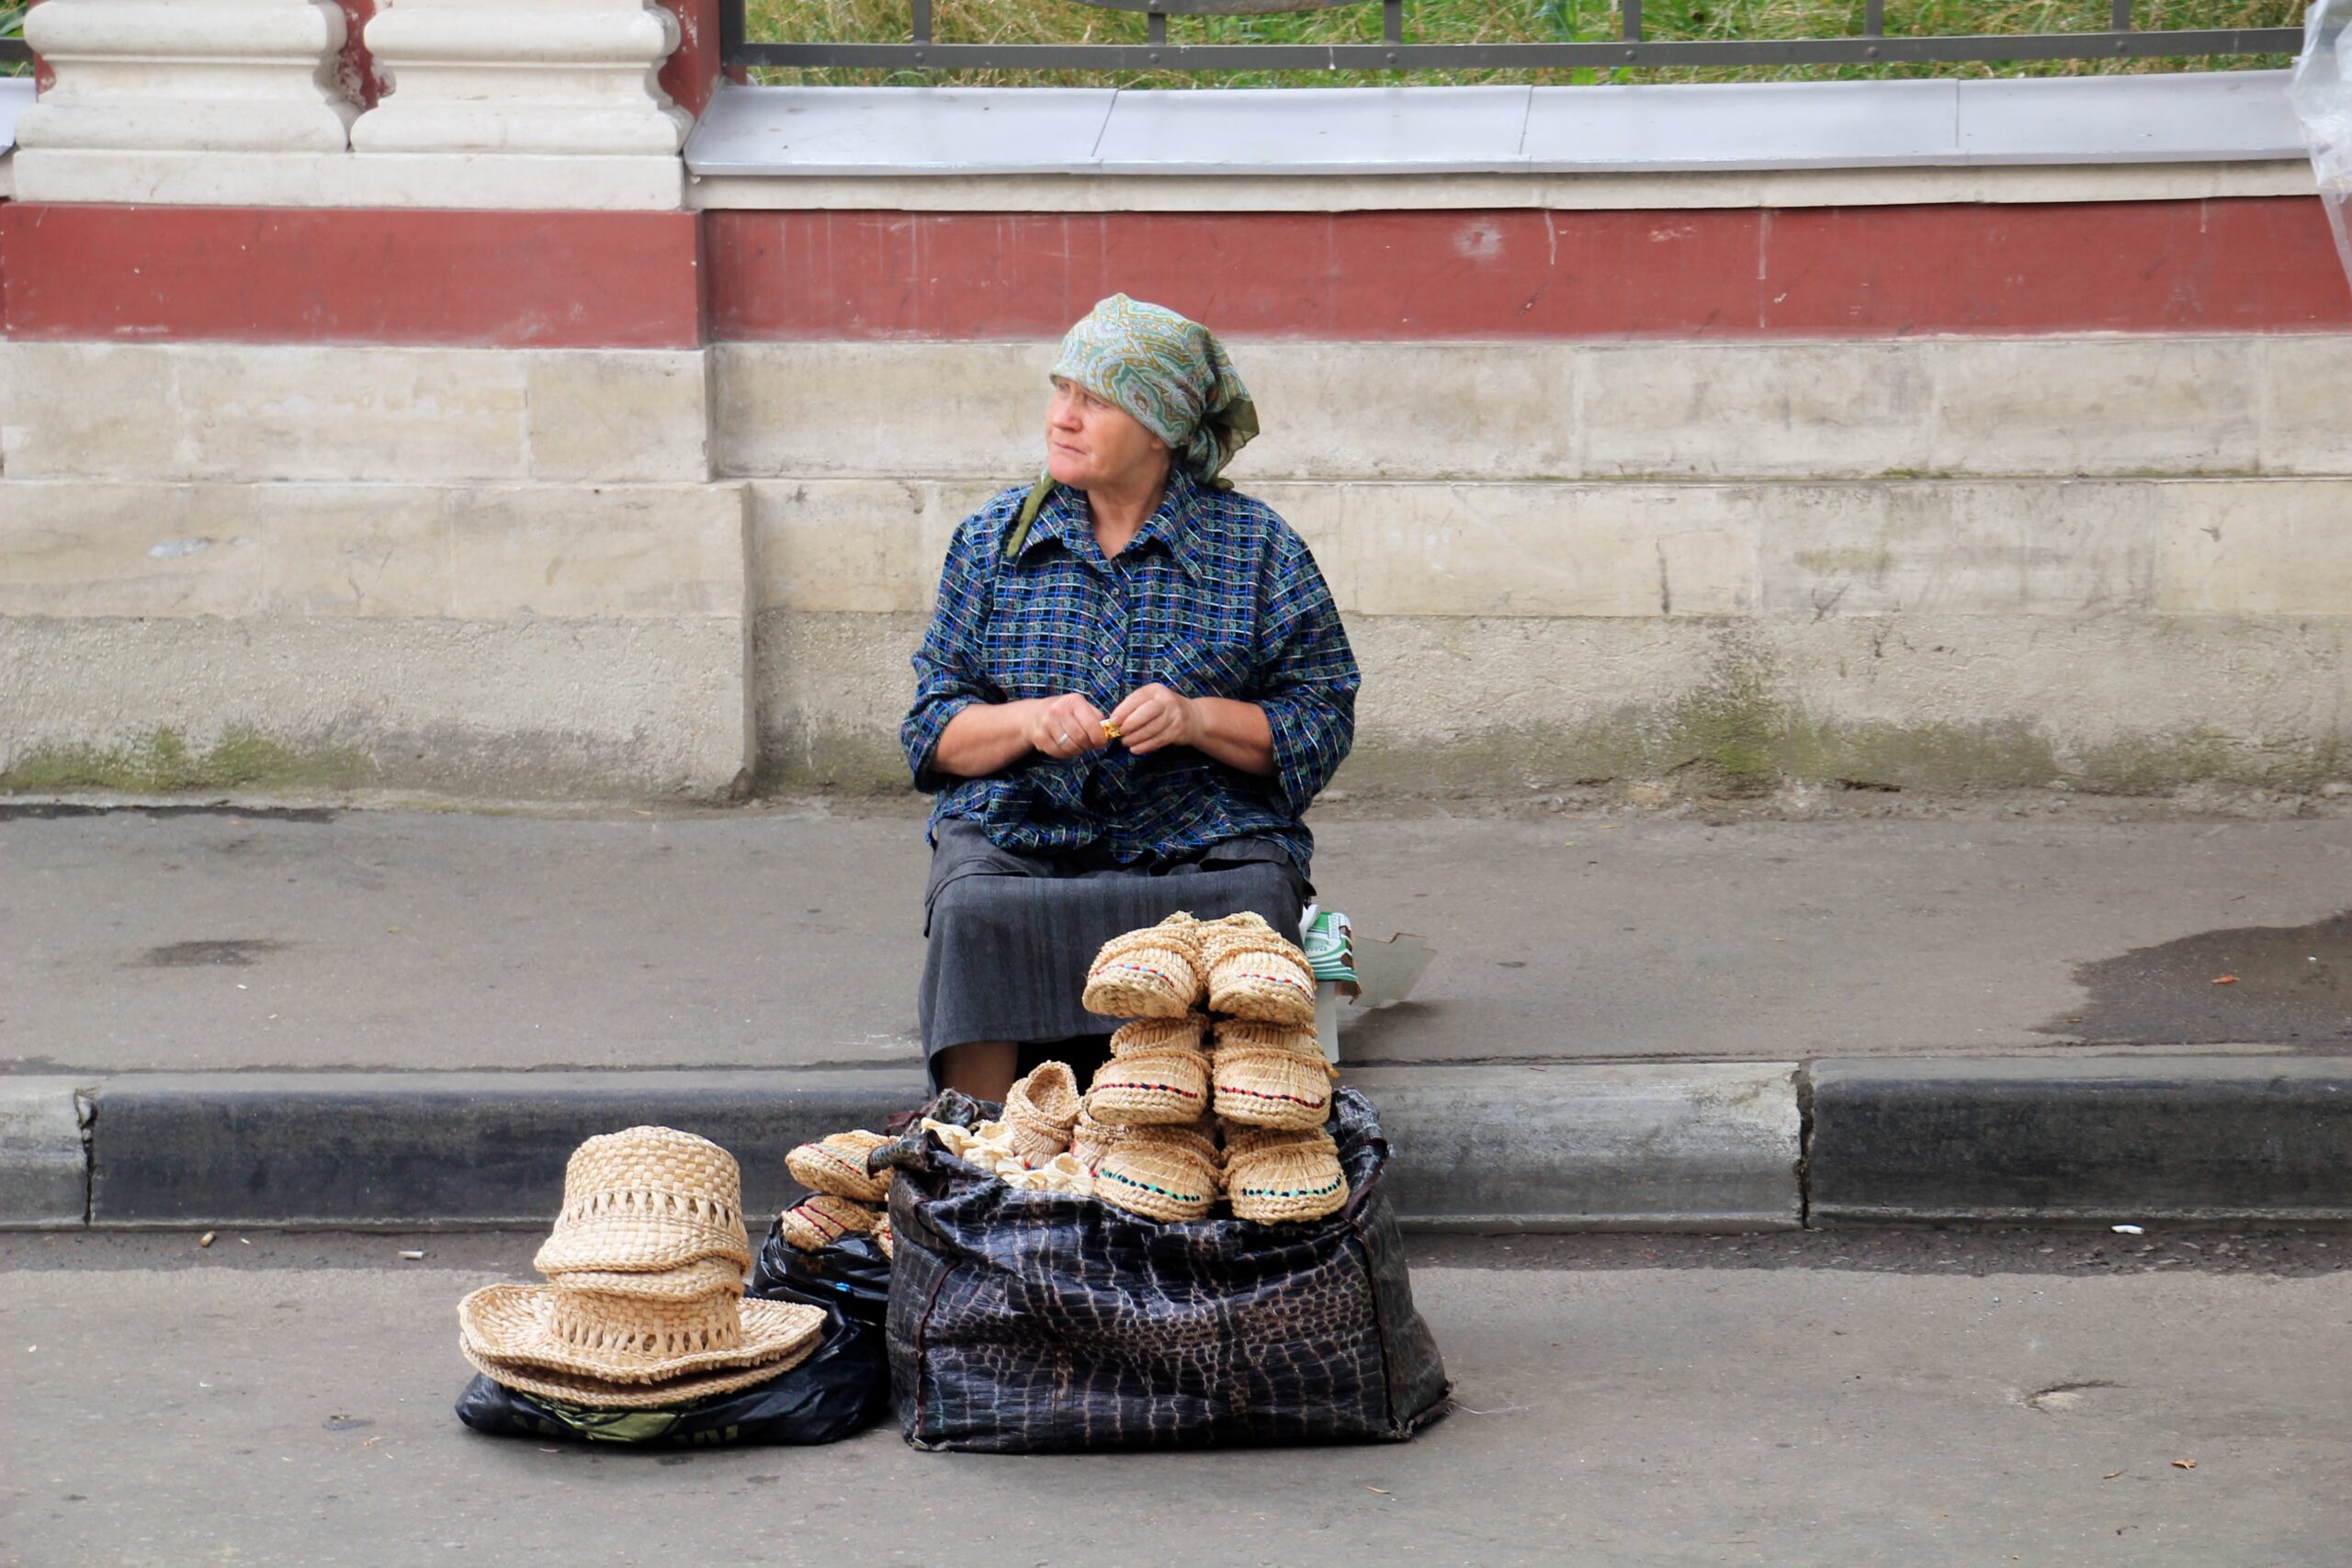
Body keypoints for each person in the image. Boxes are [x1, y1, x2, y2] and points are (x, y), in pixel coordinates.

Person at [901, 294, 1360, 1100]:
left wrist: (1195, 718)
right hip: (1028, 835)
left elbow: (1320, 720)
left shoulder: (1258, 551)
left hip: (1200, 838)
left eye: (1096, 399)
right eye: (1061, 390)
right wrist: (1030, 722)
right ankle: (975, 1157)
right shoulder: (993, 543)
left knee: (1254, 898)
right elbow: (932, 732)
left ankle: (1236, 1130)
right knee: (974, 905)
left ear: (1160, 429)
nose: (1062, 418)